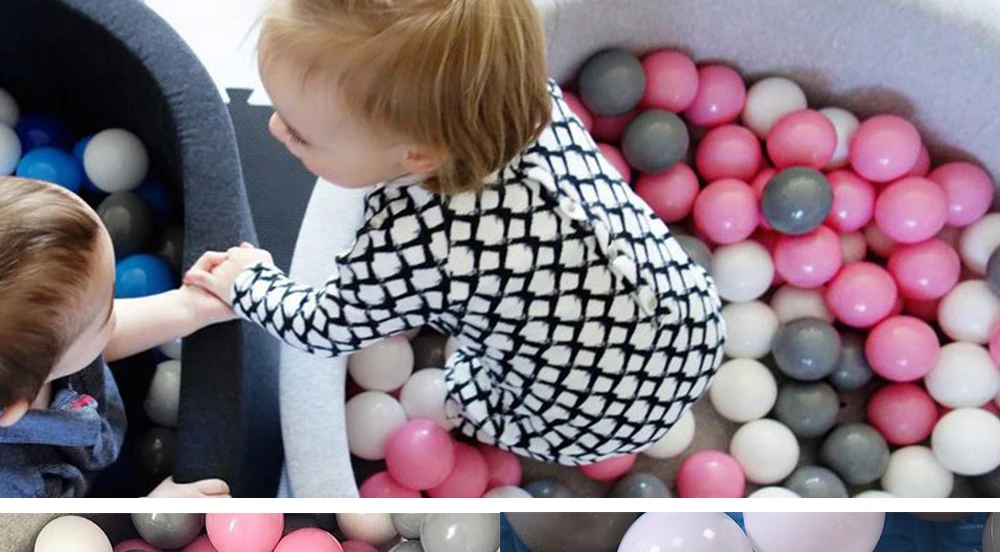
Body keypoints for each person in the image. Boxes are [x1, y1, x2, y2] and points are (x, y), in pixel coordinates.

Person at [184, 0, 725, 467]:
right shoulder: (534, 102)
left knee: (463, 384)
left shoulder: (411, 241)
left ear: (418, 154)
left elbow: (323, 327)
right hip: (694, 323)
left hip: (590, 420)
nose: (274, 127)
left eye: (301, 135)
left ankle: (481, 412)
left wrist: (248, 283)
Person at [0, 176, 232, 497]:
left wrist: (190, 307)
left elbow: (100, 339)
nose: (115, 306)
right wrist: (155, 506)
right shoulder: (18, 486)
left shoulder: (29, 356)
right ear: (13, 407)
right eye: (107, 308)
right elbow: (67, 521)